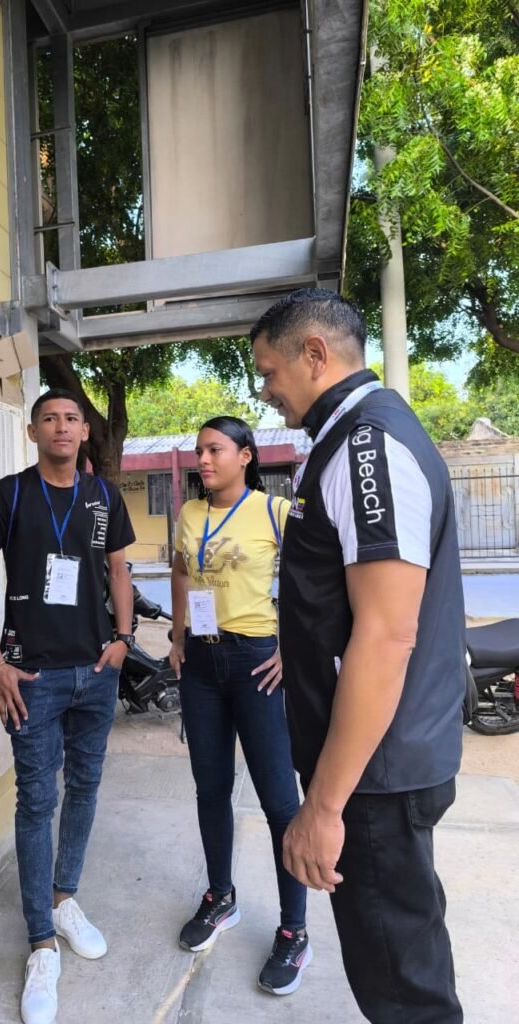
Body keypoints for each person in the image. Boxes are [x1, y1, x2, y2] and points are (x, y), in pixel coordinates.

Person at [251, 289, 464, 1023]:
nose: (266, 390)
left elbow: (386, 634)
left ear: (315, 354)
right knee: (400, 964)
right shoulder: (349, 439)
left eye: (270, 371)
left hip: (374, 777)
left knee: (403, 991)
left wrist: (324, 806)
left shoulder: (367, 445)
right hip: (375, 766)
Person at [0, 388, 135, 1024]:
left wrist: (123, 640)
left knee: (85, 785)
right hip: (31, 676)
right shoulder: (6, 496)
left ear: (85, 430)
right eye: (49, 419)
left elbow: (118, 571)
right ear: (32, 431)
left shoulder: (103, 497)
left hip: (96, 670)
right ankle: (41, 941)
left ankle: (64, 900)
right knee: (37, 800)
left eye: (71, 419)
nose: (61, 427)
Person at [168, 416, 311, 996]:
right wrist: (178, 636)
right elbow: (181, 570)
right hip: (201, 664)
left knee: (280, 801)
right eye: (199, 451)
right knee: (210, 790)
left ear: (246, 456)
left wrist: (291, 647)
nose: (203, 460)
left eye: (215, 450)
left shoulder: (275, 512)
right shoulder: (189, 514)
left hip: (256, 663)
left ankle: (294, 930)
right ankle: (221, 896)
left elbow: (312, 581)